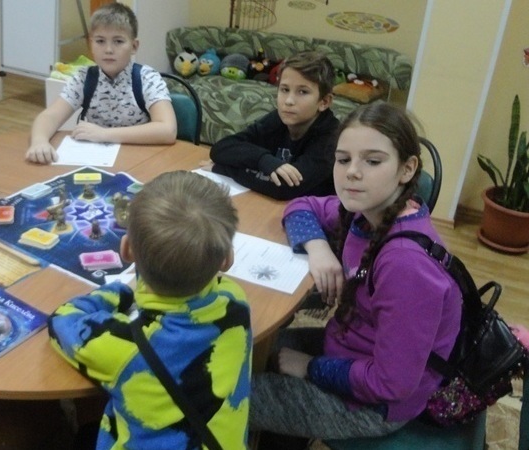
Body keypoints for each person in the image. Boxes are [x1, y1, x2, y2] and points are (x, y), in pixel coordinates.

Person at [249, 102, 462, 448]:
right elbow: (302, 205)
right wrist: (318, 248)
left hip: (375, 405)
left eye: (372, 161)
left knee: (221, 395)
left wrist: (311, 367)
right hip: (349, 348)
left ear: (407, 169)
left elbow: (391, 384)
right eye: (343, 159)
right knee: (249, 351)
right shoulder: (367, 212)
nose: (352, 172)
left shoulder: (406, 266)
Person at [48, 171, 252, 449]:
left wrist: (121, 291)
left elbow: (62, 319)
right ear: (227, 260)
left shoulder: (123, 347)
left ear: (126, 250)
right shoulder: (235, 299)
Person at [25, 2, 176, 164]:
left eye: (118, 41)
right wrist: (39, 142)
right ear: (91, 43)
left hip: (138, 160)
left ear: (134, 46)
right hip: (95, 161)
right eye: (100, 41)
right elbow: (50, 116)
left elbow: (168, 130)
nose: (108, 49)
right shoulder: (83, 78)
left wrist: (104, 134)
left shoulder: (147, 78)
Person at [210, 51, 339, 200]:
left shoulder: (332, 138)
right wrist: (263, 160)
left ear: (324, 102)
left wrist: (221, 169)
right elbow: (221, 148)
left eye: (302, 92)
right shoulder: (279, 118)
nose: (289, 101)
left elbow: (284, 188)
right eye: (285, 89)